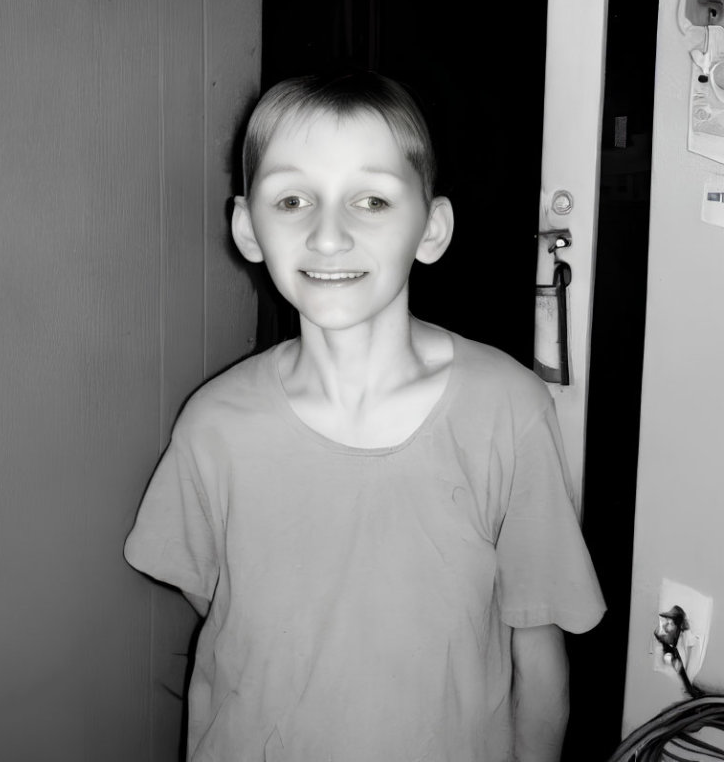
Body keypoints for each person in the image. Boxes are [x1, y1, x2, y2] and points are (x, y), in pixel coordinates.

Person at [124, 70, 605, 762]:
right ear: (246, 228)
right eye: (292, 199)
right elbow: (228, 627)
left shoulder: (506, 411)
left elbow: (541, 662)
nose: (327, 235)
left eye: (371, 201)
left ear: (432, 228)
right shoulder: (214, 426)